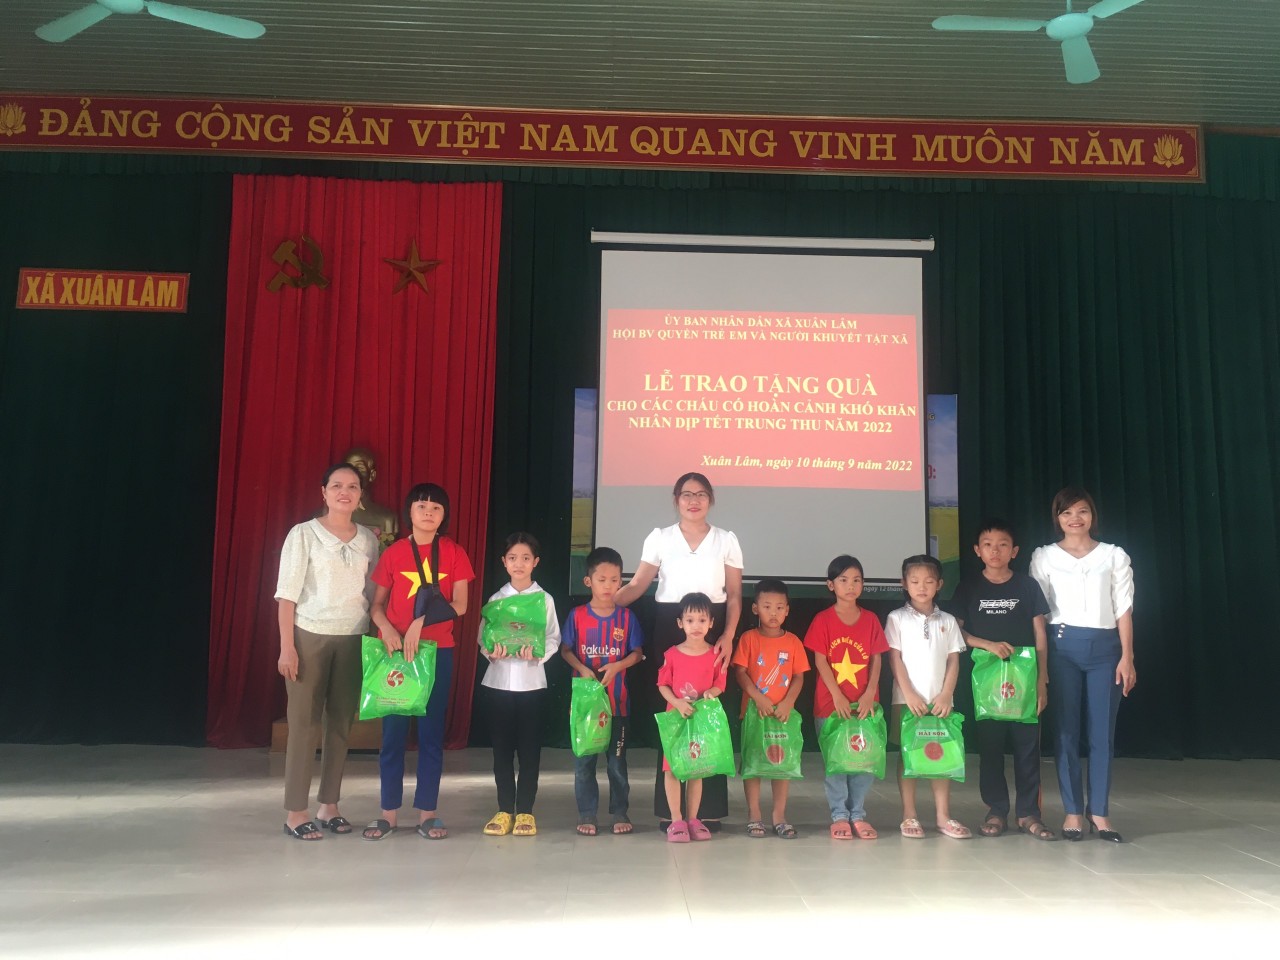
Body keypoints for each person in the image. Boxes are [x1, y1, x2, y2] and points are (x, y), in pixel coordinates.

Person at [613, 472, 743, 830]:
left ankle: (707, 811)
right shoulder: (660, 537)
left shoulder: (726, 540)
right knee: (675, 715)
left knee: (708, 715)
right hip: (670, 627)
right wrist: (606, 599)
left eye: (701, 494)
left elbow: (734, 595)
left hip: (712, 627)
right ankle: (671, 813)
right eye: (686, 494)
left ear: (710, 499)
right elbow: (638, 585)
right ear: (676, 499)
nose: (693, 501)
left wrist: (728, 634)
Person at [274, 463, 381, 841]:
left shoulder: (369, 540)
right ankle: (295, 811)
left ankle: (329, 805)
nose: (344, 492)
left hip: (353, 637)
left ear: (360, 495)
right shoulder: (303, 534)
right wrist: (287, 647)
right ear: (323, 492)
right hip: (309, 636)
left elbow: (373, 596)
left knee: (340, 725)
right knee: (304, 725)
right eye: (336, 485)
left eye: (352, 486)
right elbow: (286, 595)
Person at [362, 483, 474, 841]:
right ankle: (388, 814)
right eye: (421, 506)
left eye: (436, 507)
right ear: (409, 512)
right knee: (392, 735)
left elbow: (461, 605)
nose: (428, 512)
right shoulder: (394, 553)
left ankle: (428, 814)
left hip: (437, 652)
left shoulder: (454, 552)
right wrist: (386, 629)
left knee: (430, 735)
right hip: (395, 654)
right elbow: (376, 606)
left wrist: (420, 622)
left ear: (444, 516)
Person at [1030, 487, 1135, 843]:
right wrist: (1042, 664)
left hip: (1106, 648)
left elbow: (1123, 609)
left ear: (1092, 515)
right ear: (1057, 518)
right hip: (1062, 646)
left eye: (1082, 511)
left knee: (1102, 733)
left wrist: (1127, 656)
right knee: (1066, 731)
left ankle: (1100, 812)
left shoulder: (1113, 555)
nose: (1075, 519)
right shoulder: (1044, 556)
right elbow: (1038, 613)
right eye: (1067, 513)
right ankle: (1073, 811)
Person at [951, 520, 1054, 841]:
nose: (995, 551)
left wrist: (1042, 678)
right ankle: (996, 811)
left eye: (1002, 545)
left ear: (1014, 551)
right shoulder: (968, 587)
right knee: (991, 750)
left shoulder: (1027, 586)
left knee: (1027, 750)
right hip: (986, 682)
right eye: (988, 545)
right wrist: (988, 645)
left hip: (1024, 680)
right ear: (977, 550)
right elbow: (955, 632)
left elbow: (1040, 633)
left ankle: (1028, 814)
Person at [479, 532, 561, 837]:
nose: (519, 564)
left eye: (526, 558)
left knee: (529, 752)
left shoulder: (544, 599)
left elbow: (553, 637)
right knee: (501, 751)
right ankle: (504, 810)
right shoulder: (496, 600)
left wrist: (538, 653)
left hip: (531, 684)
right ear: (504, 562)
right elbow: (483, 637)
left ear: (535, 562)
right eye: (513, 558)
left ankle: (525, 810)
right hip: (499, 683)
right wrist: (492, 650)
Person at [560, 546, 645, 836]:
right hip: (585, 708)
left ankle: (620, 812)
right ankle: (587, 813)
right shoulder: (577, 616)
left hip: (617, 704)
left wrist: (618, 665)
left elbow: (637, 653)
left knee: (617, 763)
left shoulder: (626, 618)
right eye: (602, 579)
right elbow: (565, 650)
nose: (608, 585)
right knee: (584, 763)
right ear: (588, 581)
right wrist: (582, 668)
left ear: (621, 581)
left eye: (614, 580)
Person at [804, 555, 890, 841]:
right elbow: (820, 660)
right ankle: (839, 815)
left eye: (856, 580)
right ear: (831, 585)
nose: (850, 586)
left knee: (863, 760)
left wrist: (869, 694)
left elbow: (876, 660)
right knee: (837, 763)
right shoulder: (823, 620)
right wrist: (838, 697)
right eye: (843, 580)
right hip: (831, 706)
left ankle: (858, 814)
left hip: (865, 706)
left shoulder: (871, 620)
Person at [886, 554, 970, 840]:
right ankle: (909, 814)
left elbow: (953, 660)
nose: (922, 587)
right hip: (906, 700)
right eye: (915, 581)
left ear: (939, 584)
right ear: (904, 584)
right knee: (907, 753)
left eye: (929, 581)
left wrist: (946, 694)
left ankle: (943, 816)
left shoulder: (948, 620)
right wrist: (909, 693)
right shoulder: (896, 618)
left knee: (941, 755)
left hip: (940, 702)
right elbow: (894, 658)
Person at [731, 579, 808, 839]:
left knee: (781, 764)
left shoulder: (794, 642)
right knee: (753, 763)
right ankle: (754, 814)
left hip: (782, 715)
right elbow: (740, 673)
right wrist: (758, 699)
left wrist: (788, 702)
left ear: (787, 610)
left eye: (779, 607)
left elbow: (799, 676)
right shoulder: (749, 639)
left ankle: (779, 815)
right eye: (766, 606)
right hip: (755, 713)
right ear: (755, 609)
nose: (773, 613)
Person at [657, 592, 729, 843]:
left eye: (702, 620)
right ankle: (676, 820)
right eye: (690, 620)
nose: (696, 626)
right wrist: (677, 702)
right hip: (676, 722)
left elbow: (720, 683)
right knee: (672, 769)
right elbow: (662, 684)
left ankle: (693, 819)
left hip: (701, 722)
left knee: (696, 769)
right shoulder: (672, 654)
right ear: (680, 623)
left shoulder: (715, 654)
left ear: (711, 623)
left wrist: (711, 693)